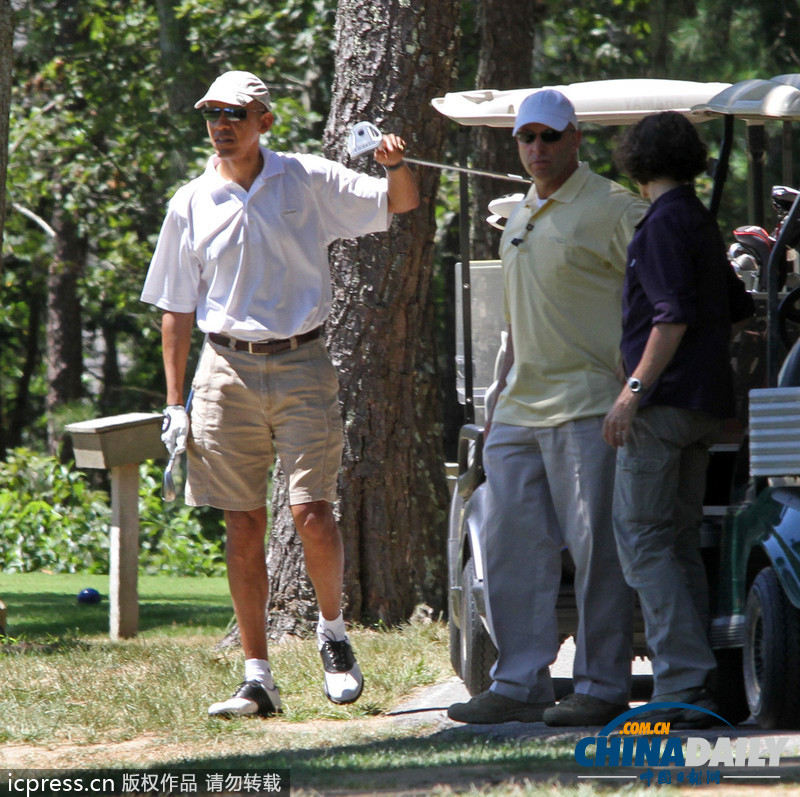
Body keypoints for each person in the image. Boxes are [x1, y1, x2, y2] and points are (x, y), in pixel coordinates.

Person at [141, 70, 419, 718]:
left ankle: (333, 633)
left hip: (301, 363)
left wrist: (397, 164)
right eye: (212, 112)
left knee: (312, 513)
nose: (221, 124)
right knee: (243, 522)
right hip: (223, 371)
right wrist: (174, 401)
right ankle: (258, 679)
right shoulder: (190, 202)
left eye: (235, 113)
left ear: (265, 119)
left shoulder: (306, 179)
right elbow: (176, 310)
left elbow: (396, 203)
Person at [448, 90, 648, 727]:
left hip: (591, 408)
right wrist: (496, 402)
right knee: (508, 549)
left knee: (597, 555)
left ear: (576, 139)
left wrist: (632, 383)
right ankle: (521, 681)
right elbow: (513, 325)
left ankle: (600, 685)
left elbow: (661, 300)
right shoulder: (522, 210)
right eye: (525, 138)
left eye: (549, 137)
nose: (537, 149)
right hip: (518, 412)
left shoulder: (618, 208)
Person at [602, 111, 754, 728]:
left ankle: (684, 683)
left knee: (642, 543)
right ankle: (701, 684)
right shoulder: (696, 217)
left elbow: (670, 317)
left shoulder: (663, 224)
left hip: (662, 410)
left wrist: (632, 390)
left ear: (635, 158)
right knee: (679, 542)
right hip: (704, 409)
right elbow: (739, 306)